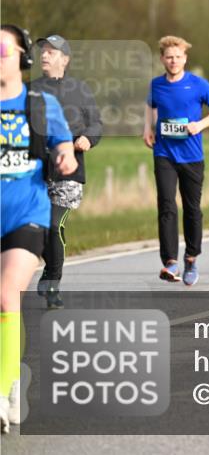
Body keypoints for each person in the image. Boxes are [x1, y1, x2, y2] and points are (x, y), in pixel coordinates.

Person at [0, 25, 77, 433]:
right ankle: (13, 378)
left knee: (6, 294)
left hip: (25, 214)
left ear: (21, 58)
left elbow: (62, 145)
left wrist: (65, 157)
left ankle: (2, 389)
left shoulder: (40, 104)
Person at [144, 36, 209, 286]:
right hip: (164, 153)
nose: (173, 61)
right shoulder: (155, 85)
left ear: (185, 58)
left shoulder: (198, 85)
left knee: (192, 210)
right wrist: (147, 128)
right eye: (169, 57)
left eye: (178, 56)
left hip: (192, 155)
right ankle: (170, 261)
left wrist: (200, 124)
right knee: (167, 205)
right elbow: (150, 106)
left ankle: (191, 258)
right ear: (162, 59)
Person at [30, 35, 103, 309]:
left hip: (69, 173)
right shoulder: (30, 90)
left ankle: (53, 281)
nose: (44, 56)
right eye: (43, 52)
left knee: (53, 224)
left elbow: (96, 124)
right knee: (37, 230)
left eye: (51, 52)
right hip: (35, 172)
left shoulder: (80, 90)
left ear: (65, 59)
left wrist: (87, 138)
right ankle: (49, 269)